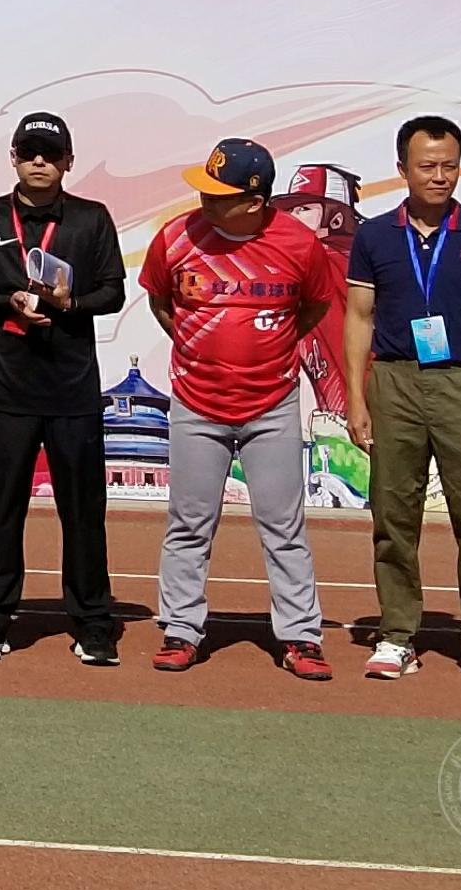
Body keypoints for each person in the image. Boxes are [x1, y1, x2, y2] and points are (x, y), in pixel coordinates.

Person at [144, 137, 343, 679]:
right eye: (204, 190)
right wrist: (201, 348)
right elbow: (161, 302)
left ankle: (301, 636)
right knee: (189, 523)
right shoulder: (175, 237)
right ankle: (181, 629)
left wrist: (265, 352)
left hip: (272, 404)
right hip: (196, 402)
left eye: (219, 194)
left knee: (283, 526)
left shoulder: (300, 244)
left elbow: (313, 308)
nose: (205, 201)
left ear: (255, 201)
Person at [342, 114, 461, 687]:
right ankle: (397, 634)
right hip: (394, 381)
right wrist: (355, 397)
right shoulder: (374, 236)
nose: (439, 176)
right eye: (427, 166)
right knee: (393, 516)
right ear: (402, 169)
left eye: (449, 165)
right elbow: (358, 318)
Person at [0, 111, 128, 665]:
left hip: (73, 390)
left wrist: (70, 303)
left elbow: (113, 293)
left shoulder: (92, 218)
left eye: (50, 154)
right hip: (8, 389)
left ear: (68, 160)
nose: (39, 162)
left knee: (83, 512)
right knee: (1, 510)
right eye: (29, 153)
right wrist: (8, 302)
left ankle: (93, 623)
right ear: (14, 159)